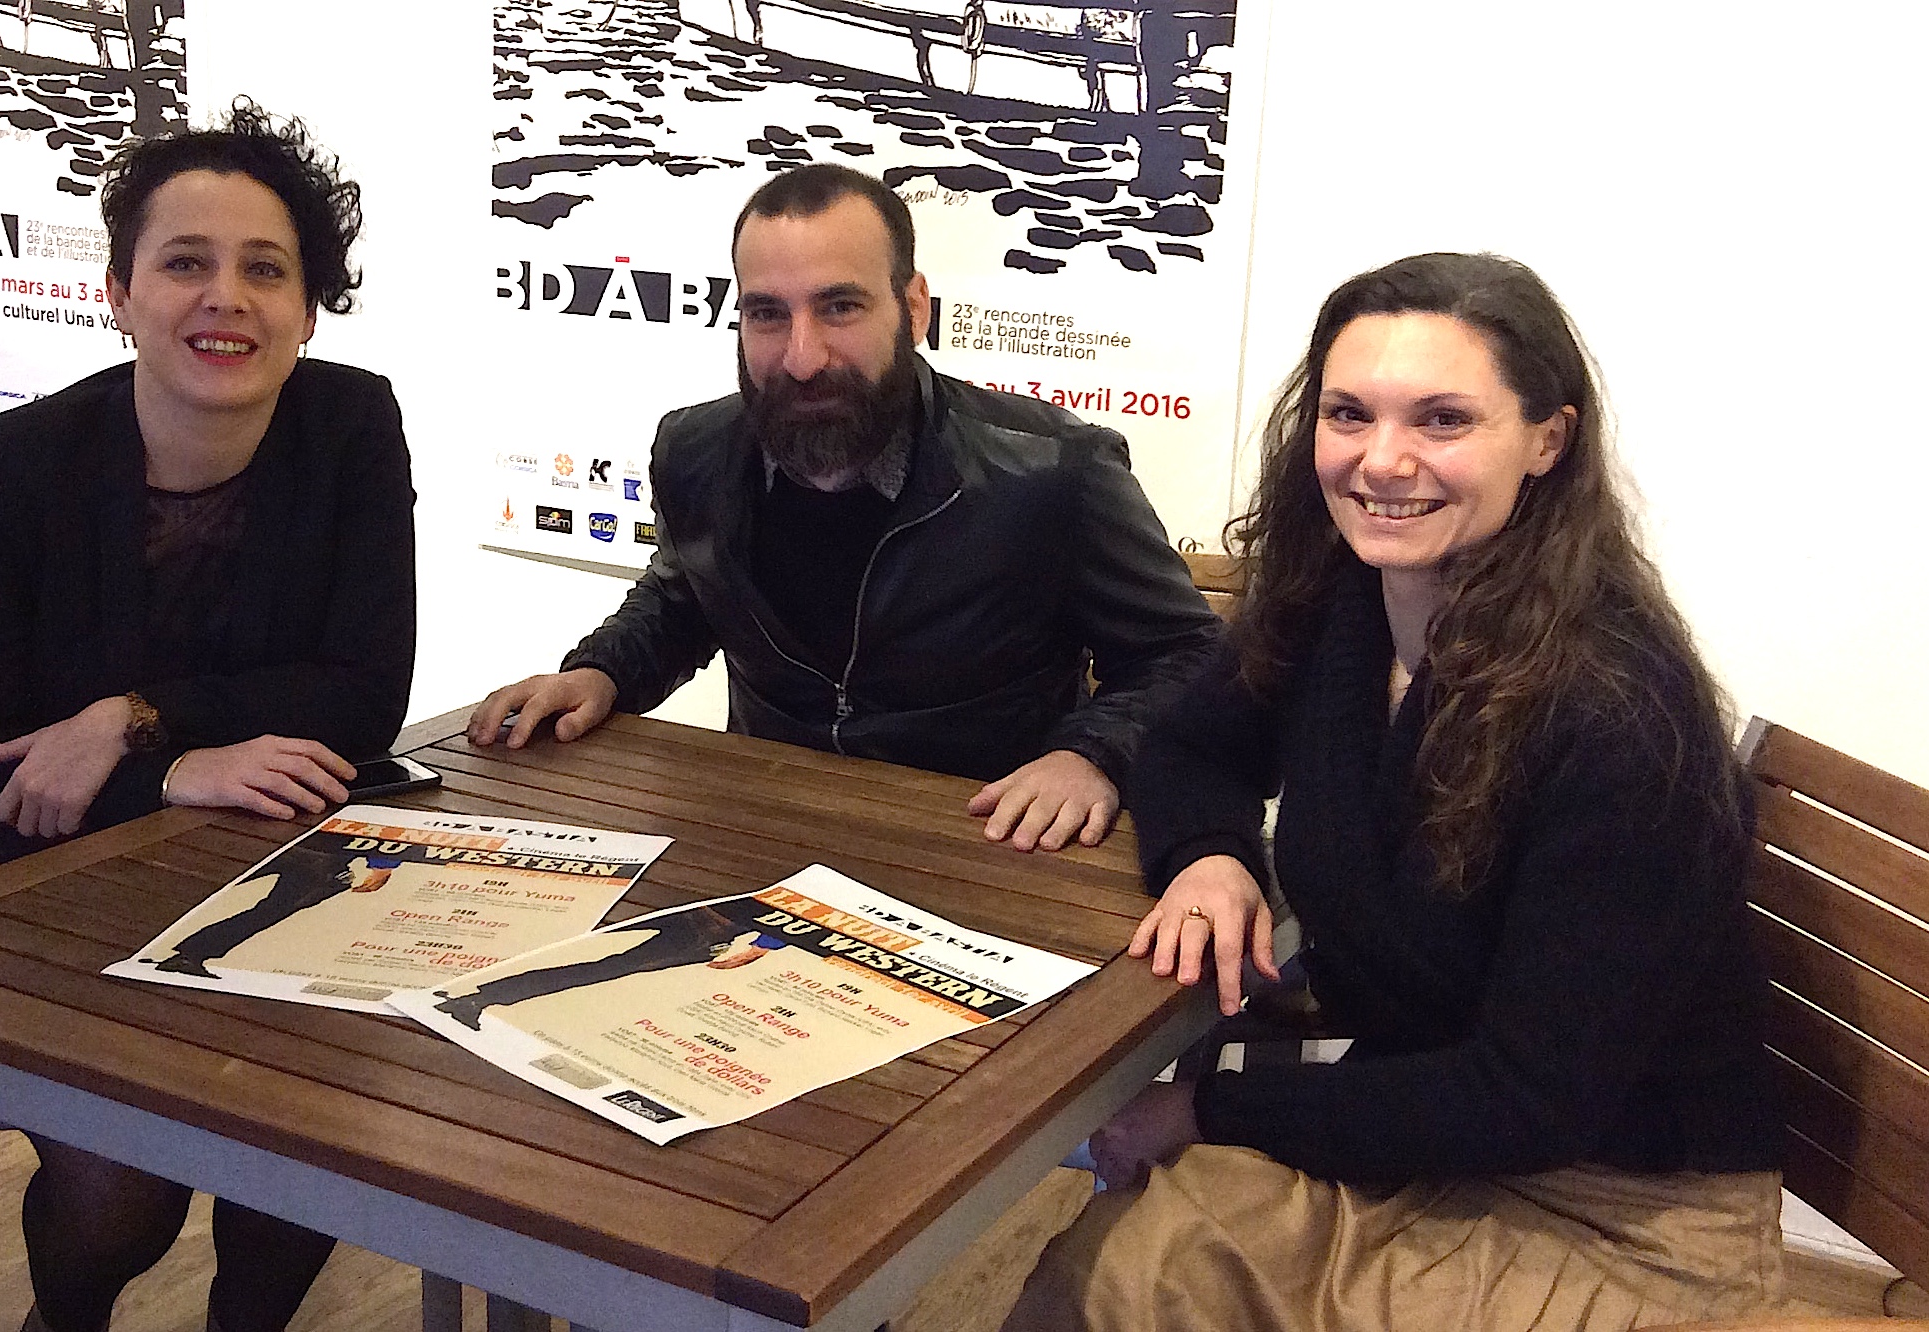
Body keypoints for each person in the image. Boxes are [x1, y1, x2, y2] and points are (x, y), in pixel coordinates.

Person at [1006, 253, 1785, 1331]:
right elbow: (1190, 749)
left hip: (1624, 1212)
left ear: (1546, 442)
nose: (1381, 460)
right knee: (1117, 1269)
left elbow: (1528, 1097)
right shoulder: (1350, 599)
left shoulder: (1616, 717)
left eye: (1441, 420)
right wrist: (1209, 857)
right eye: (1347, 413)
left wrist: (1204, 1108)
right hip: (1439, 1134)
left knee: (1134, 1275)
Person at [0, 99, 416, 1332]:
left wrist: (131, 720)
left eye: (265, 268)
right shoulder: (21, 461)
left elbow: (364, 694)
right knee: (122, 1185)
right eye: (184, 262)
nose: (224, 298)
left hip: (270, 872)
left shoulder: (352, 425)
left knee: (313, 1133)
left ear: (309, 307)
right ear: (119, 291)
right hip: (39, 878)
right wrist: (174, 765)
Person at [469, 164, 1221, 854]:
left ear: (914, 307)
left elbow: (1186, 653)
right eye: (767, 314)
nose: (802, 356)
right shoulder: (693, 448)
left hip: (985, 843)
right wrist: (600, 673)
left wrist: (1090, 754)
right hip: (763, 828)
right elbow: (683, 599)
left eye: (840, 307)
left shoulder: (1055, 469)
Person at [432, 905, 785, 1030]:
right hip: (708, 920)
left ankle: (473, 996)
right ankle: (471, 994)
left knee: (595, 965)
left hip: (716, 921)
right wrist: (765, 944)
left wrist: (765, 944)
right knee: (589, 955)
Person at [150, 849, 402, 978]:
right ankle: (188, 954)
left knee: (207, 884)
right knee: (270, 911)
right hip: (322, 858)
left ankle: (176, 952)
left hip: (279, 835)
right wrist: (383, 865)